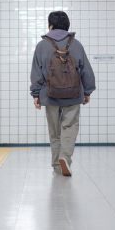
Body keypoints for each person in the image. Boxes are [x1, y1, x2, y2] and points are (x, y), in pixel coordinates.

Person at [30, 11, 96, 177]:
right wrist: (87, 91)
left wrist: (35, 94)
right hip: (73, 94)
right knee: (70, 126)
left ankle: (56, 166)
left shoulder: (41, 46)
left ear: (50, 25)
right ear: (67, 26)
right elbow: (86, 70)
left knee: (55, 132)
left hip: (49, 95)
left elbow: (36, 73)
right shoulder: (77, 44)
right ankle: (65, 157)